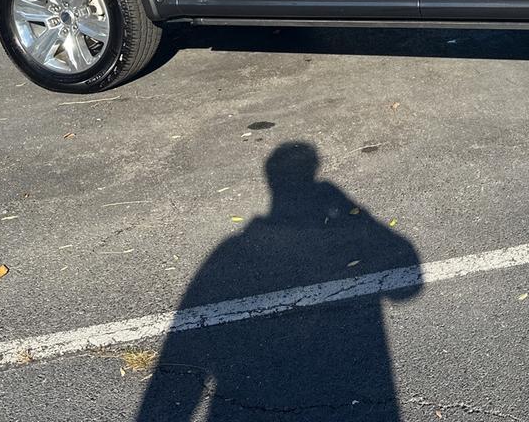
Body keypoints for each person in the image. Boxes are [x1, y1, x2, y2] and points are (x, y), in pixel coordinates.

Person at [136, 142, 421, 420]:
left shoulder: (231, 250)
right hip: (355, 386)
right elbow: (407, 286)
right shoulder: (237, 249)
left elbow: (183, 345)